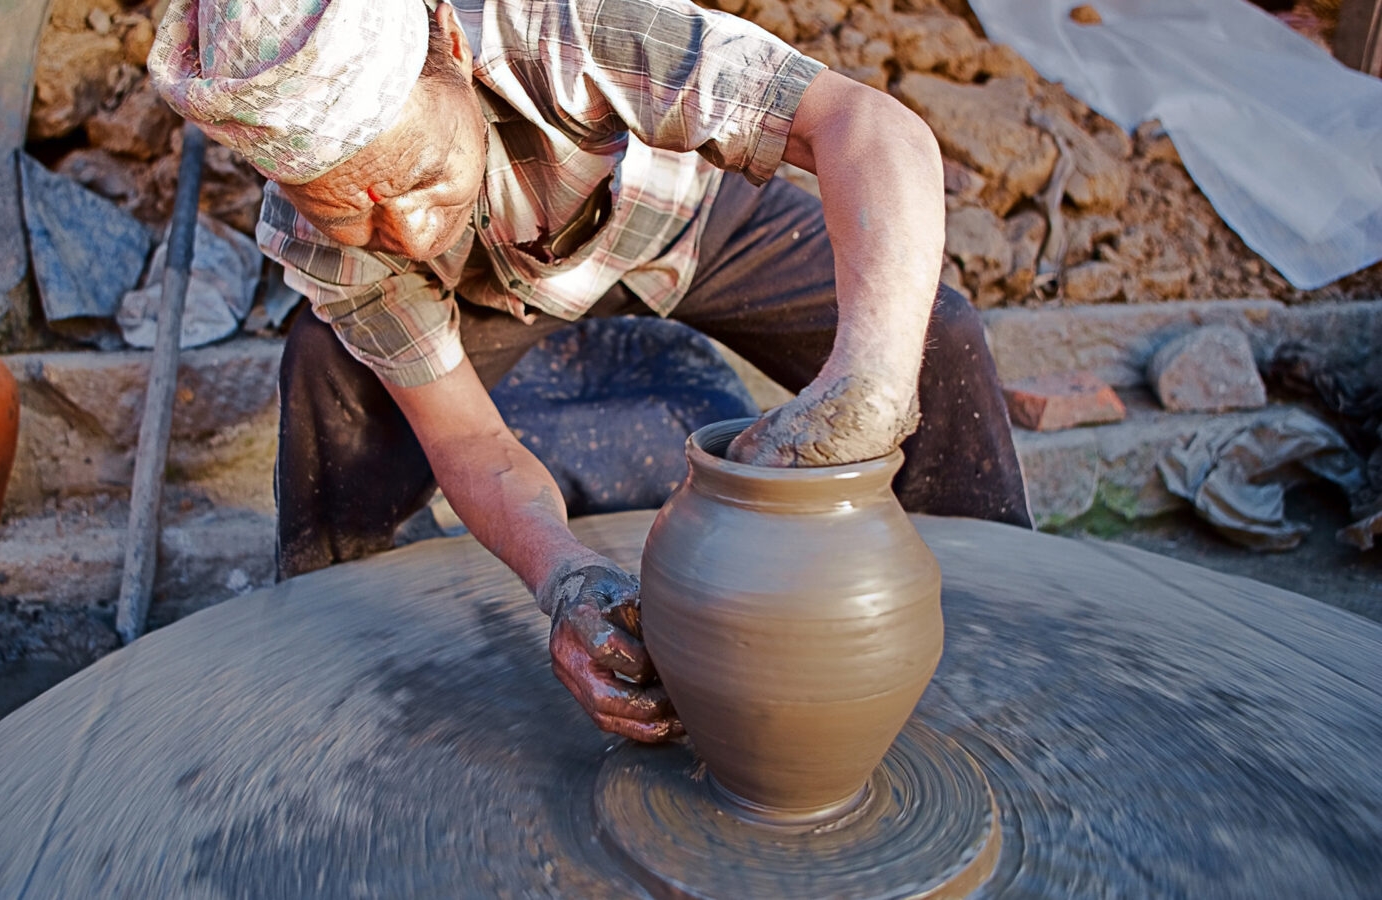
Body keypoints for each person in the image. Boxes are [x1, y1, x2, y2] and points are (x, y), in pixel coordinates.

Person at [151, 0, 1032, 744]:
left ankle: (1002, 649)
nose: (410, 233)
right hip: (490, 295)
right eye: (352, 212)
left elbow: (865, 125)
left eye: (419, 177)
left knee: (933, 333)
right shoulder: (324, 240)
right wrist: (563, 576)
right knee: (324, 363)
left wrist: (868, 382)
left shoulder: (571, 26)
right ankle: (342, 682)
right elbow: (475, 445)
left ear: (452, 55)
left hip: (680, 224)